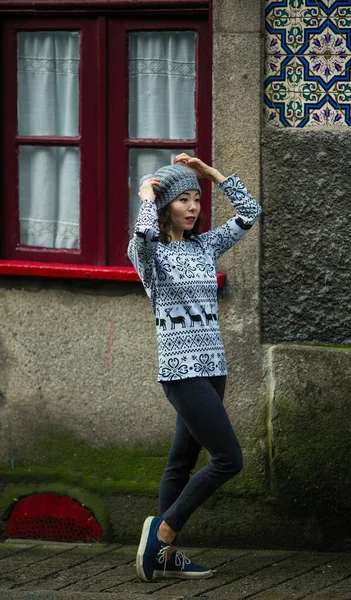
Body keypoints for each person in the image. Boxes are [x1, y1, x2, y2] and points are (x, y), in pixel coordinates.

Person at [127, 153, 262, 582]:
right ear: (166, 206)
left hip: (212, 367)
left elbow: (250, 212)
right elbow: (143, 235)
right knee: (229, 459)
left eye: (195, 200)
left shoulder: (204, 246)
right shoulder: (149, 256)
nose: (192, 207)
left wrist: (213, 175)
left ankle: (162, 559)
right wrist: (148, 193)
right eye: (182, 200)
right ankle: (162, 535)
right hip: (181, 372)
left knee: (181, 462)